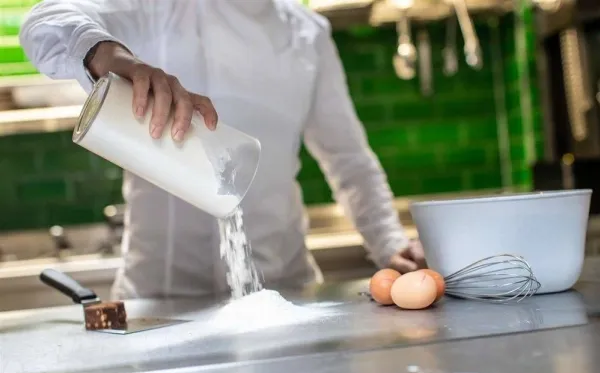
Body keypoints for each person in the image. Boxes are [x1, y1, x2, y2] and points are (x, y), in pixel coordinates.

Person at [20, 0, 427, 300]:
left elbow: (349, 160)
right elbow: (45, 21)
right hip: (162, 303)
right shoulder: (157, 9)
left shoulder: (308, 34)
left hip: (282, 294)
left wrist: (390, 243)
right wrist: (112, 57)